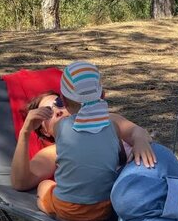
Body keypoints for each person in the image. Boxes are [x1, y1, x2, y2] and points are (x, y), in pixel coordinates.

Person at [10, 76, 156, 193]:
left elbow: (137, 132)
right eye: (47, 113)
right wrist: (25, 132)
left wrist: (140, 141)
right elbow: (20, 183)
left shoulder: (107, 120)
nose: (58, 111)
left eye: (59, 103)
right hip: (126, 189)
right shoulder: (55, 151)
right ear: (44, 131)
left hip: (148, 166)